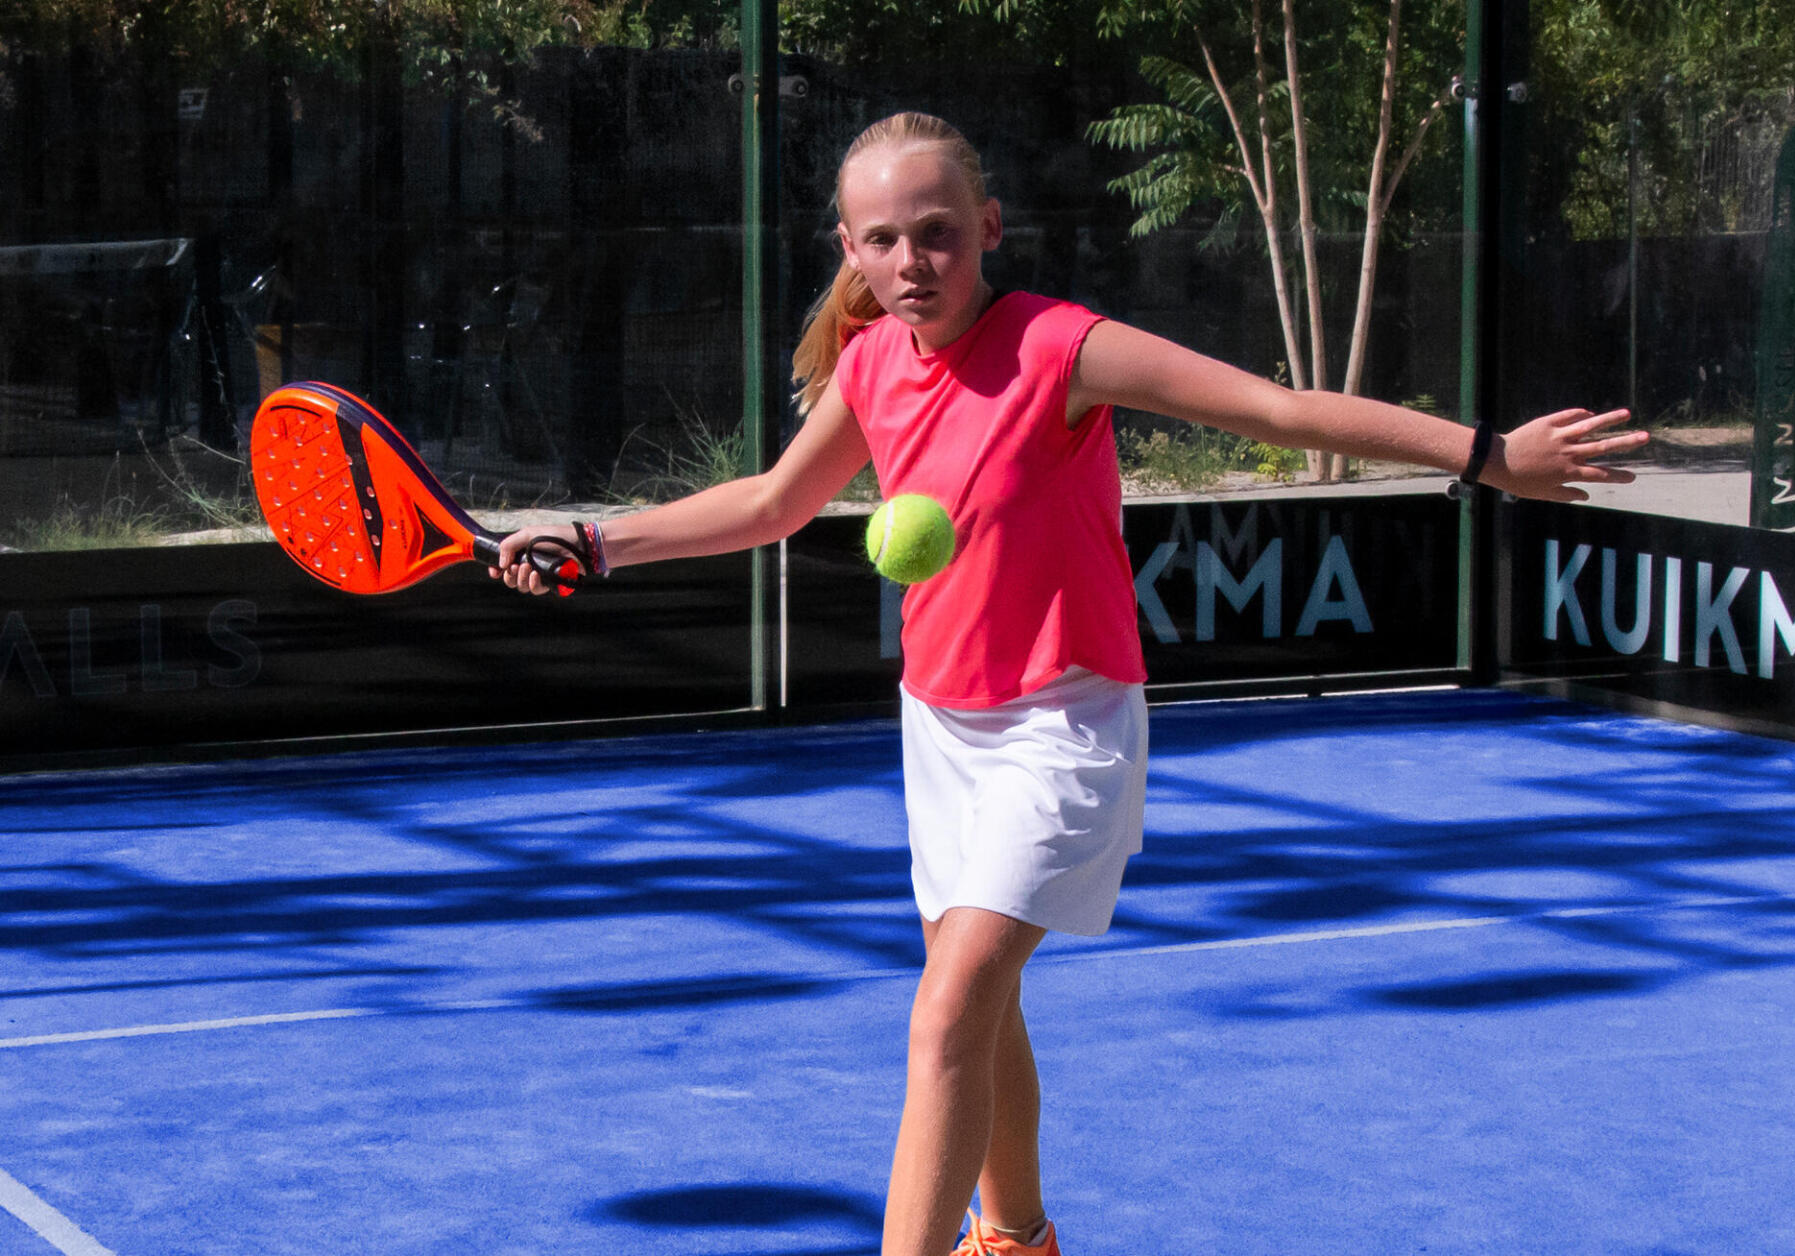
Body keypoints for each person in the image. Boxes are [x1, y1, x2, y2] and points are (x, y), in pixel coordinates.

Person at [492, 111, 1645, 1256]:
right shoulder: (870, 364)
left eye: (936, 232)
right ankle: (1020, 1236)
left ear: (988, 226)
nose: (910, 262)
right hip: (941, 725)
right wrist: (596, 540)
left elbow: (1274, 407)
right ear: (848, 249)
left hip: (1065, 721)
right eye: (881, 240)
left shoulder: (1061, 347)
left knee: (945, 1009)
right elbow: (773, 502)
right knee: (980, 1008)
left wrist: (1488, 453)